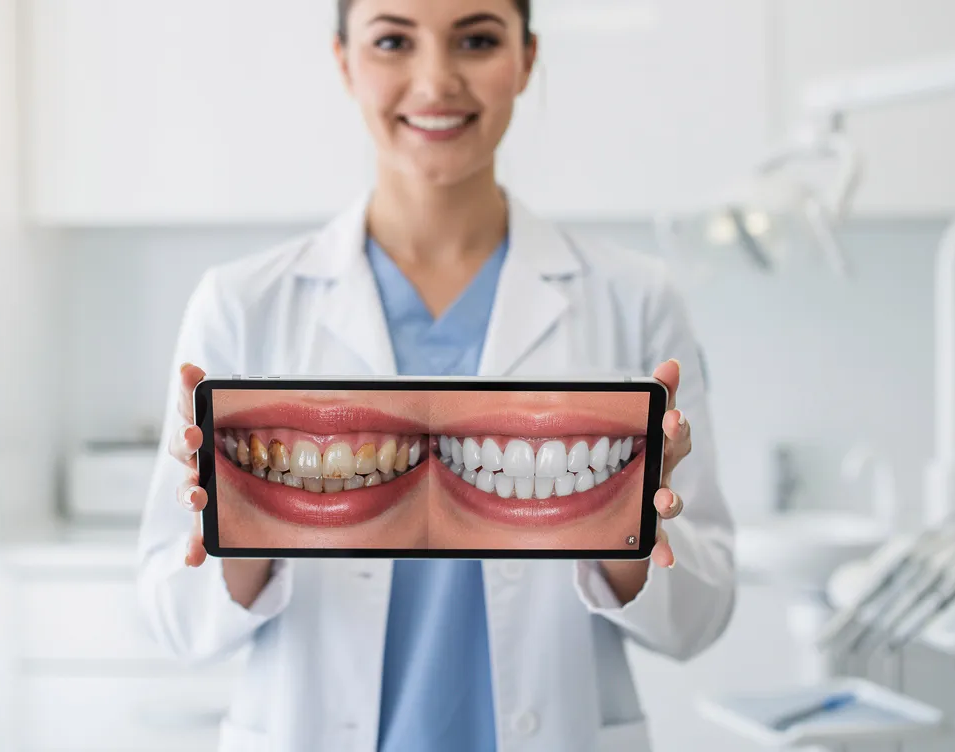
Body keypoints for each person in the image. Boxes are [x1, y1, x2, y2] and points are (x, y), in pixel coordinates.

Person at [136, 0, 736, 749]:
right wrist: (249, 519)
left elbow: (700, 617)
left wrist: (619, 520)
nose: (435, 79)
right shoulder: (242, 305)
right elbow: (173, 618)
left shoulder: (635, 298)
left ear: (525, 59)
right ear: (343, 61)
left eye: (477, 39)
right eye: (393, 40)